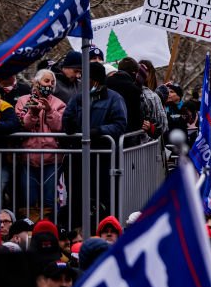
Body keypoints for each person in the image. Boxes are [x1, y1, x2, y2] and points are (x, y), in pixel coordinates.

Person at [63, 62, 128, 222]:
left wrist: (99, 131)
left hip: (103, 158)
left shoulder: (114, 99)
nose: (81, 80)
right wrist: (70, 126)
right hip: (78, 157)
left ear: (95, 80)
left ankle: (102, 227)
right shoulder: (78, 98)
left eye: (86, 77)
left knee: (102, 196)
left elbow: (120, 124)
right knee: (77, 196)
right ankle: (77, 229)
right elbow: (66, 119)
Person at [14, 69, 66, 218]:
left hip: (52, 159)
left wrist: (49, 111)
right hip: (28, 159)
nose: (49, 84)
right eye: (46, 81)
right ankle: (30, 233)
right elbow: (22, 125)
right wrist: (33, 113)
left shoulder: (59, 103)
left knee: (49, 200)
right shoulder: (23, 101)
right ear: (36, 82)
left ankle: (51, 230)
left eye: (52, 82)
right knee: (30, 199)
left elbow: (60, 126)